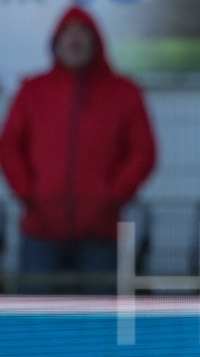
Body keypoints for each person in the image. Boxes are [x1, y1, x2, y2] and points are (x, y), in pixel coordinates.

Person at [0, 6, 156, 294]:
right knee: (35, 314)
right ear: (56, 43)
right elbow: (9, 146)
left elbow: (143, 151)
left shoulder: (124, 92)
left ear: (96, 42)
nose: (75, 40)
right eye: (68, 34)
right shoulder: (32, 90)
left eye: (82, 33)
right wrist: (28, 191)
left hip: (101, 231)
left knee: (99, 315)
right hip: (40, 230)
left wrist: (114, 194)